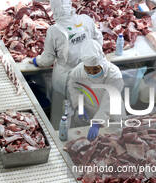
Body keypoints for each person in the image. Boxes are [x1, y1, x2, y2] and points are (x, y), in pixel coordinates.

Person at [30, 0, 103, 129]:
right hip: (89, 73)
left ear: (54, 10)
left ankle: (61, 137)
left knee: (64, 111)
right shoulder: (86, 20)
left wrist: (37, 61)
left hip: (66, 78)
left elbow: (48, 59)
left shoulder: (54, 30)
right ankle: (83, 135)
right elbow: (98, 41)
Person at [68, 39, 124, 141]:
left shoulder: (114, 73)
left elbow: (110, 99)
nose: (92, 73)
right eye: (88, 70)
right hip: (88, 112)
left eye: (95, 69)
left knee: (114, 141)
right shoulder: (78, 71)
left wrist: (98, 122)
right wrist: (79, 105)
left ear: (102, 62)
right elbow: (73, 87)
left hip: (111, 114)